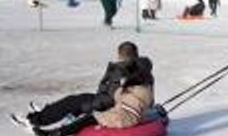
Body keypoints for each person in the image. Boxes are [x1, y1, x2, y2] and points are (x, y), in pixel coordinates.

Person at [11, 41, 149, 131]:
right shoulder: (137, 68)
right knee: (75, 99)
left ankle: (35, 120)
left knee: (73, 103)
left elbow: (114, 97)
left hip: (112, 106)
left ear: (120, 55)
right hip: (107, 100)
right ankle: (47, 110)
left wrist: (89, 107)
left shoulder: (125, 71)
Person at [28, 57, 154, 136]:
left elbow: (118, 97)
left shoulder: (134, 85)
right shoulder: (147, 85)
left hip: (123, 117)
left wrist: (122, 87)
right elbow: (145, 103)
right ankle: (53, 134)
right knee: (89, 117)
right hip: (125, 115)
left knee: (88, 118)